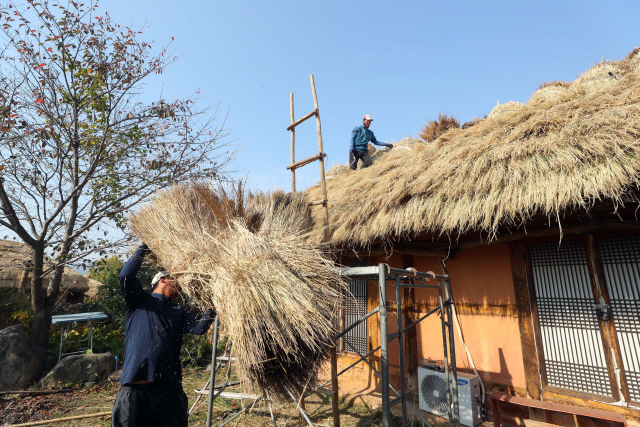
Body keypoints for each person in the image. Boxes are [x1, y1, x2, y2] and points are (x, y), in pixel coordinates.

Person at [111, 243, 216, 427]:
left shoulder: (179, 311)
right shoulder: (140, 301)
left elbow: (199, 328)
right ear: (163, 280)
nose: (182, 286)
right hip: (136, 389)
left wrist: (215, 302)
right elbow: (126, 275)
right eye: (177, 280)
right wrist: (144, 247)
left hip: (169, 389)